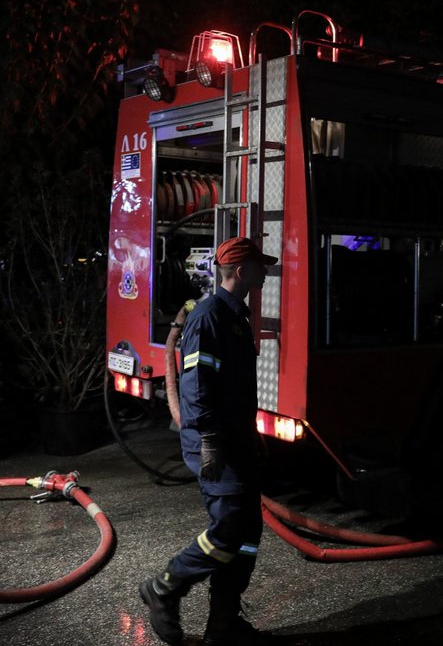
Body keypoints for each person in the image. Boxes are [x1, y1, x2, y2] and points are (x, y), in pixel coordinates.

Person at [140, 236, 278, 646]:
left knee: (248, 535)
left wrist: (249, 437)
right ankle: (165, 586)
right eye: (259, 266)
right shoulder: (208, 317)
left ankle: (223, 623)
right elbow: (197, 385)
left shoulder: (235, 315)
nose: (264, 271)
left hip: (236, 441)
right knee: (228, 531)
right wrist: (212, 441)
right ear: (240, 272)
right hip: (214, 441)